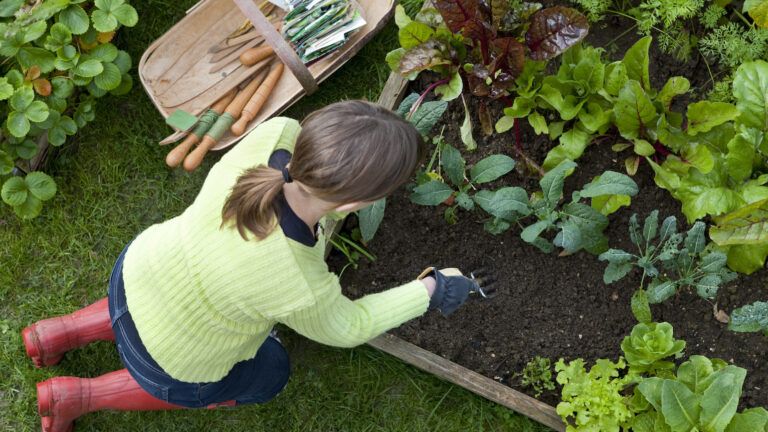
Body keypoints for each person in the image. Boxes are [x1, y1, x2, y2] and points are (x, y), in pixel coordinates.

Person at [22, 100, 484, 432]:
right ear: (360, 202)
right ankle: (77, 397)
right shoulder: (297, 279)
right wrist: (430, 290)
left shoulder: (276, 134)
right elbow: (348, 326)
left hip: (138, 270)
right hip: (170, 360)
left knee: (159, 300)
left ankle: (55, 333)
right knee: (270, 372)